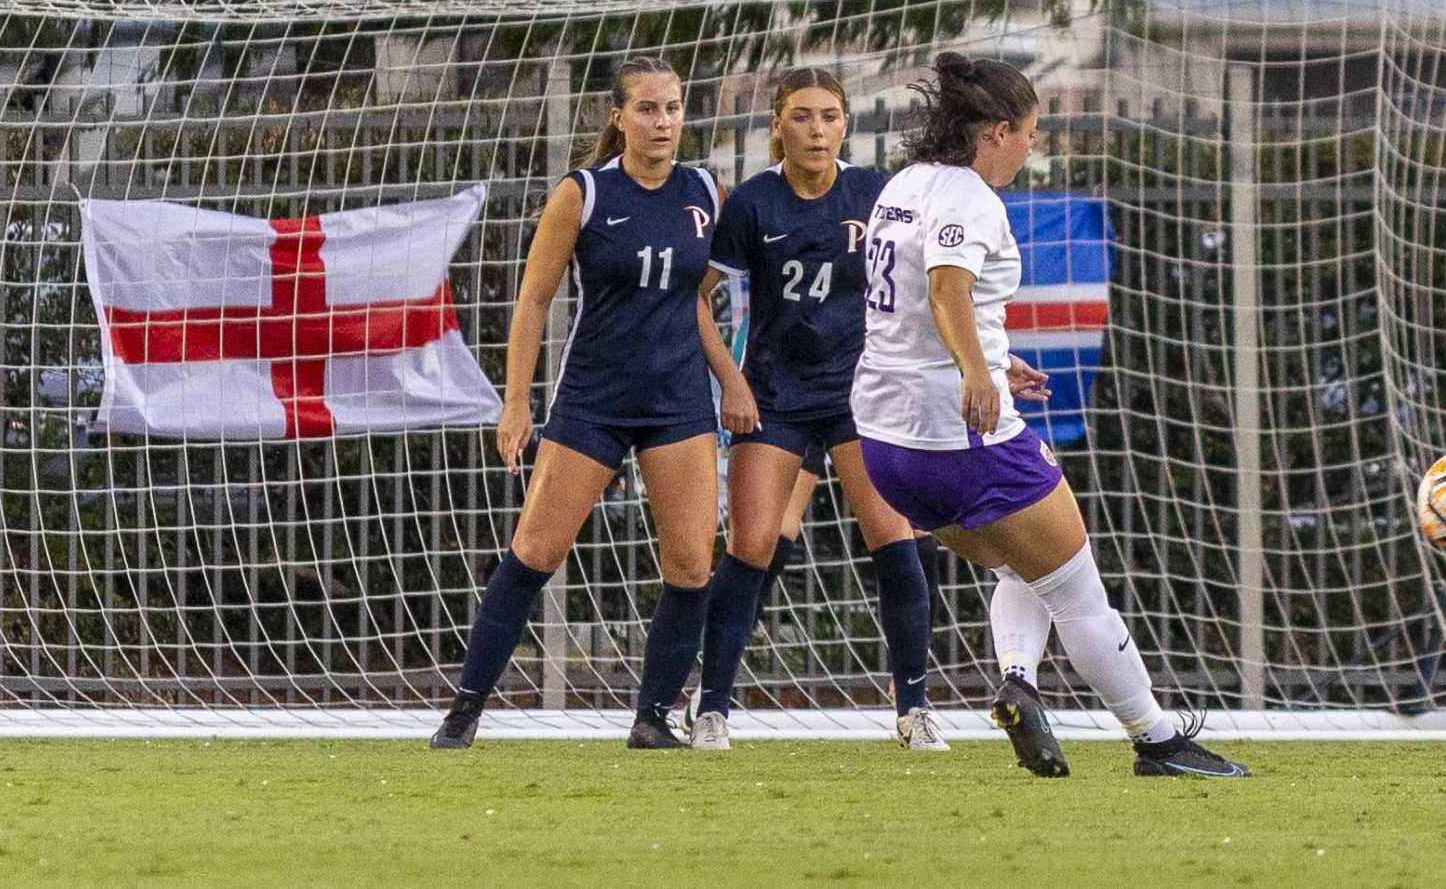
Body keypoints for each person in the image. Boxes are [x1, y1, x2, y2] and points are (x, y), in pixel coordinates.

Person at [854, 51, 1248, 779]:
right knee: (1076, 585)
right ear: (998, 129)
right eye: (1031, 131)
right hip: (960, 435)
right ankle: (1157, 739)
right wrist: (979, 370)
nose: (1032, 146)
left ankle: (1019, 683)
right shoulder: (970, 196)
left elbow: (913, 306)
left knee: (1026, 564)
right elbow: (946, 292)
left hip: (886, 446)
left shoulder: (902, 186)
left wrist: (997, 361)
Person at [431, 55, 758, 749]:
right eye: (647, 108)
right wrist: (516, 402)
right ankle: (464, 709)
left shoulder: (706, 191)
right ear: (620, 116)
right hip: (594, 396)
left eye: (672, 107)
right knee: (537, 547)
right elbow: (534, 301)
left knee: (693, 561)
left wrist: (730, 377)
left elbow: (703, 299)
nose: (663, 120)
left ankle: (652, 716)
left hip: (676, 399)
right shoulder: (582, 193)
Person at [688, 66, 945, 750]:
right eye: (801, 115)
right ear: (778, 125)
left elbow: (919, 289)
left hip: (862, 396)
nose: (817, 128)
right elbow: (696, 298)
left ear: (845, 124)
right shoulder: (751, 204)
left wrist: (977, 358)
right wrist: (732, 384)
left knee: (894, 539)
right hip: (773, 394)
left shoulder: (873, 193)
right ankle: (711, 707)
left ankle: (914, 707)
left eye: (829, 115)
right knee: (752, 545)